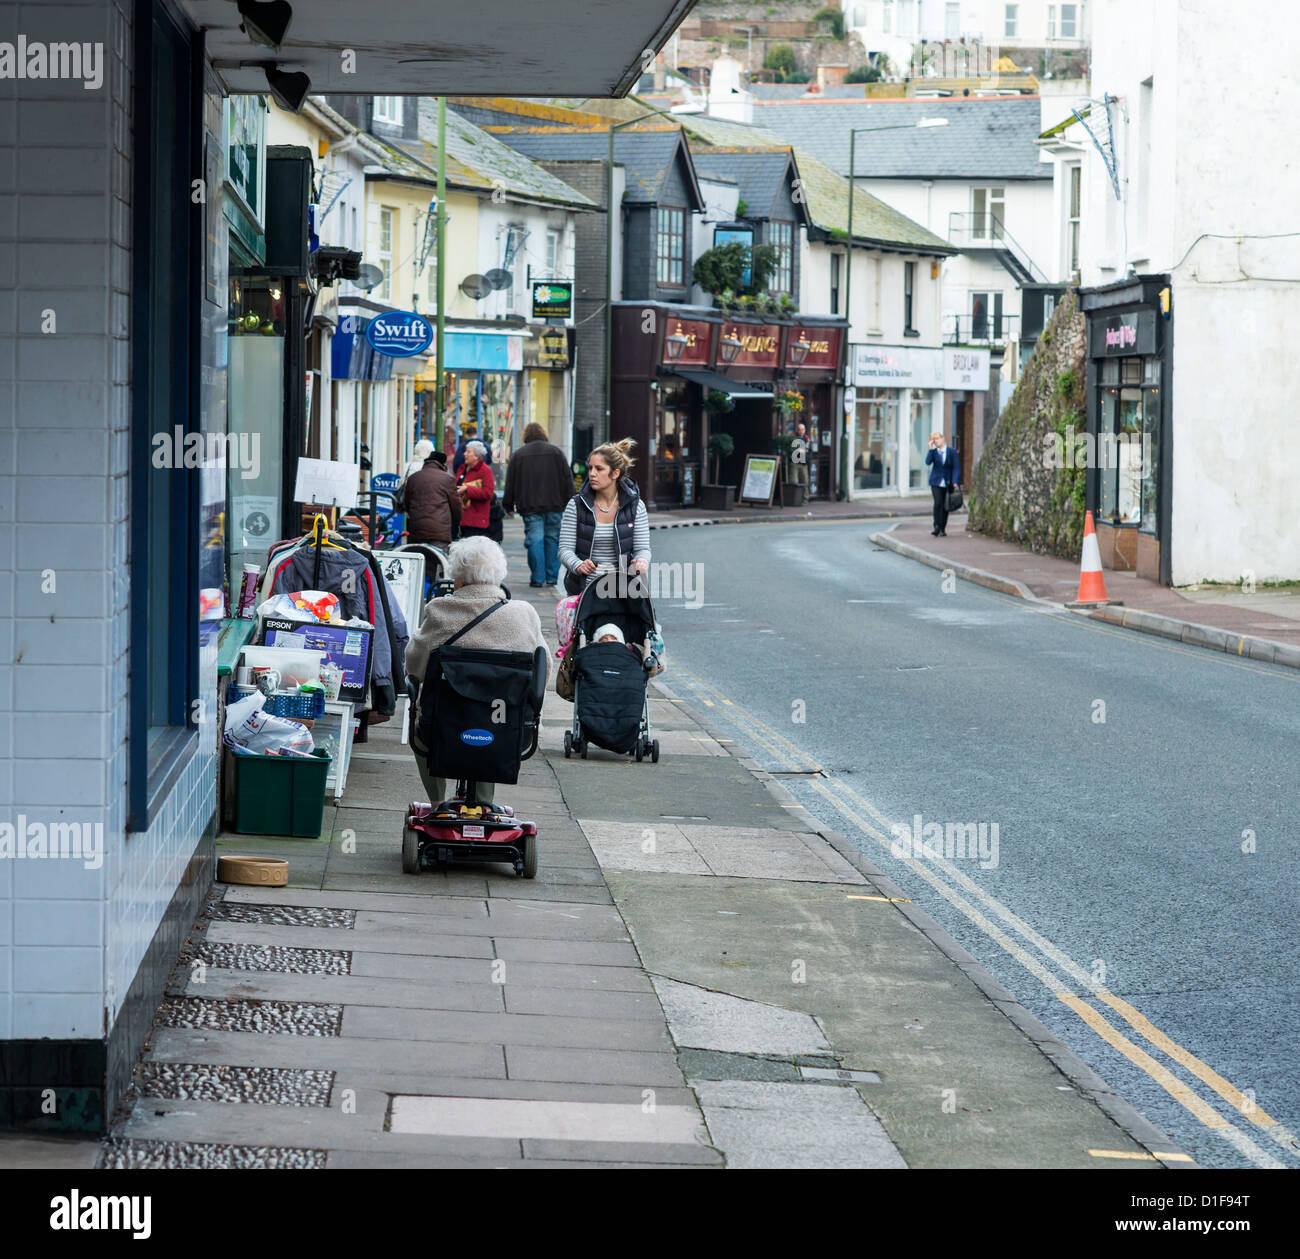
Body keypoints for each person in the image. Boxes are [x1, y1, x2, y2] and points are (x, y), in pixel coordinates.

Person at [405, 536, 547, 807]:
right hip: (505, 728)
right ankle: (482, 803)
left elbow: (414, 666)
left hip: (443, 726)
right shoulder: (524, 614)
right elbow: (543, 668)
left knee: (426, 723)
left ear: (458, 577)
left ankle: (437, 803)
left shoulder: (440, 611)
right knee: (495, 719)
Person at [558, 438, 651, 596]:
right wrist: (578, 565)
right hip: (584, 590)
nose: (592, 474)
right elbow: (564, 550)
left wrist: (642, 561)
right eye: (590, 468)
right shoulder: (576, 505)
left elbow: (643, 549)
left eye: (599, 469)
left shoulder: (635, 506)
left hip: (624, 591)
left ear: (615, 473)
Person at [502, 422, 573, 589]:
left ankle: (537, 578)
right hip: (555, 505)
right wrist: (570, 502)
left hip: (529, 505)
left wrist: (507, 505)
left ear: (526, 435)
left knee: (535, 540)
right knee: (552, 539)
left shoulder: (519, 455)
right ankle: (552, 577)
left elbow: (510, 483)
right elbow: (567, 480)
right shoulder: (557, 453)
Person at [402, 447, 461, 547]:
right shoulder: (447, 479)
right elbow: (456, 508)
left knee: (419, 559)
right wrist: (456, 522)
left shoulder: (413, 478)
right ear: (443, 465)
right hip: (439, 532)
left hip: (417, 530)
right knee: (438, 559)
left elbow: (407, 503)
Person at [455, 440, 495, 538]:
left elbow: (488, 493)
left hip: (476, 521)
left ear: (477, 456)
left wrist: (467, 489)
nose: (464, 454)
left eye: (468, 452)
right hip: (460, 519)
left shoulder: (485, 471)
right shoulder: (462, 468)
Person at [925, 431, 961, 538]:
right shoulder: (934, 452)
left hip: (948, 483)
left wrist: (955, 481)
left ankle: (942, 528)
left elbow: (956, 468)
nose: (936, 441)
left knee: (945, 506)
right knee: (937, 504)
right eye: (934, 439)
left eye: (937, 438)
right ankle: (936, 526)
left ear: (943, 438)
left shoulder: (952, 452)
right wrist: (931, 449)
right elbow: (927, 462)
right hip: (935, 482)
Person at [790, 421, 811, 489]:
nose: (801, 431)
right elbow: (790, 450)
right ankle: (794, 498)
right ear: (797, 430)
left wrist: (807, 457)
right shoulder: (793, 438)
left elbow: (809, 451)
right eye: (799, 429)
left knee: (805, 482)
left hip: (803, 463)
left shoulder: (807, 439)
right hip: (794, 463)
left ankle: (805, 498)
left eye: (802, 429)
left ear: (804, 430)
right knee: (794, 481)